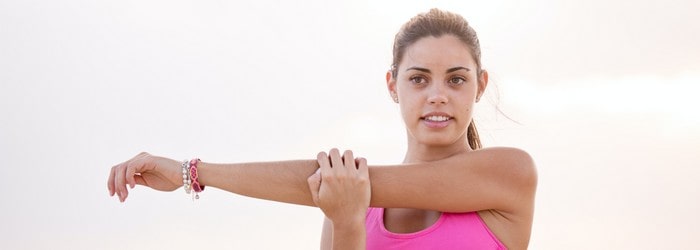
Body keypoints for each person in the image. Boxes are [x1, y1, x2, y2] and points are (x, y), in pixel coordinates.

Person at [108, 8, 537, 250]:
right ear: (393, 85)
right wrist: (348, 225)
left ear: (480, 85)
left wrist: (192, 171)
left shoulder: (509, 175)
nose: (437, 95)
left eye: (456, 79)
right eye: (419, 78)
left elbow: (338, 182)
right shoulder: (348, 199)